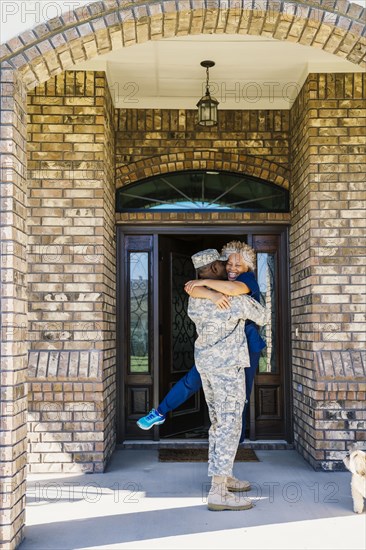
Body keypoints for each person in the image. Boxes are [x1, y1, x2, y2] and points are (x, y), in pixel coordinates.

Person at [137, 243, 266, 442]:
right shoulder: (211, 286)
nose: (231, 268)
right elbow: (192, 289)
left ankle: (237, 438)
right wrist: (210, 292)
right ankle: (161, 412)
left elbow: (231, 289)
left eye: (235, 265)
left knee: (242, 392)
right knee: (193, 381)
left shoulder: (246, 279)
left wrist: (204, 283)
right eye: (228, 263)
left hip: (246, 344)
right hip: (216, 351)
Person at [187, 249, 267, 511]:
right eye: (222, 264)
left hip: (207, 367)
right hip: (228, 368)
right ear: (211, 271)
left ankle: (227, 475)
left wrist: (207, 288)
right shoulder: (233, 300)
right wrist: (234, 291)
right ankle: (218, 491)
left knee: (218, 423)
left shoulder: (194, 299)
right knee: (230, 425)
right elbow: (263, 316)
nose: (228, 267)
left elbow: (195, 289)